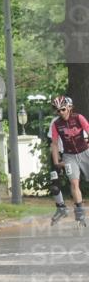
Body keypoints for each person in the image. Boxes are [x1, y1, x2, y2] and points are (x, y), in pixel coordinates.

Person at [49, 95, 88, 225]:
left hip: (84, 152)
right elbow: (54, 144)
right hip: (69, 156)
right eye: (58, 110)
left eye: (63, 109)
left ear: (69, 108)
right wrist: (56, 162)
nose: (61, 112)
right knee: (74, 183)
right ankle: (80, 213)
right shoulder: (56, 124)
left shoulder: (78, 118)